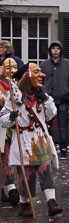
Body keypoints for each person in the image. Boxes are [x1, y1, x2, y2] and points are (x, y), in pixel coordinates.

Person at [1, 62, 63, 217]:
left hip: (39, 138)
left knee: (45, 169)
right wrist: (10, 117)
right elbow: (2, 119)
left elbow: (51, 114)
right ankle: (25, 203)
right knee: (27, 174)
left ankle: (51, 202)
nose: (42, 75)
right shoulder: (14, 98)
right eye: (37, 72)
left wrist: (46, 100)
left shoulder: (42, 95)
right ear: (26, 77)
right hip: (24, 140)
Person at [41, 41, 69, 159]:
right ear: (50, 51)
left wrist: (67, 90)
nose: (55, 51)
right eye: (53, 48)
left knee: (62, 125)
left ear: (60, 51)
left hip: (63, 99)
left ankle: (63, 149)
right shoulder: (44, 64)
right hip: (48, 100)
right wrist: (43, 92)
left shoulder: (68, 64)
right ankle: (47, 148)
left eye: (58, 48)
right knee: (47, 125)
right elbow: (39, 79)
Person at [1, 56, 23, 205]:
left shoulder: (17, 84)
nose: (12, 71)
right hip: (2, 125)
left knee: (10, 157)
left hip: (13, 128)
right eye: (9, 68)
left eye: (14, 68)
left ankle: (10, 186)